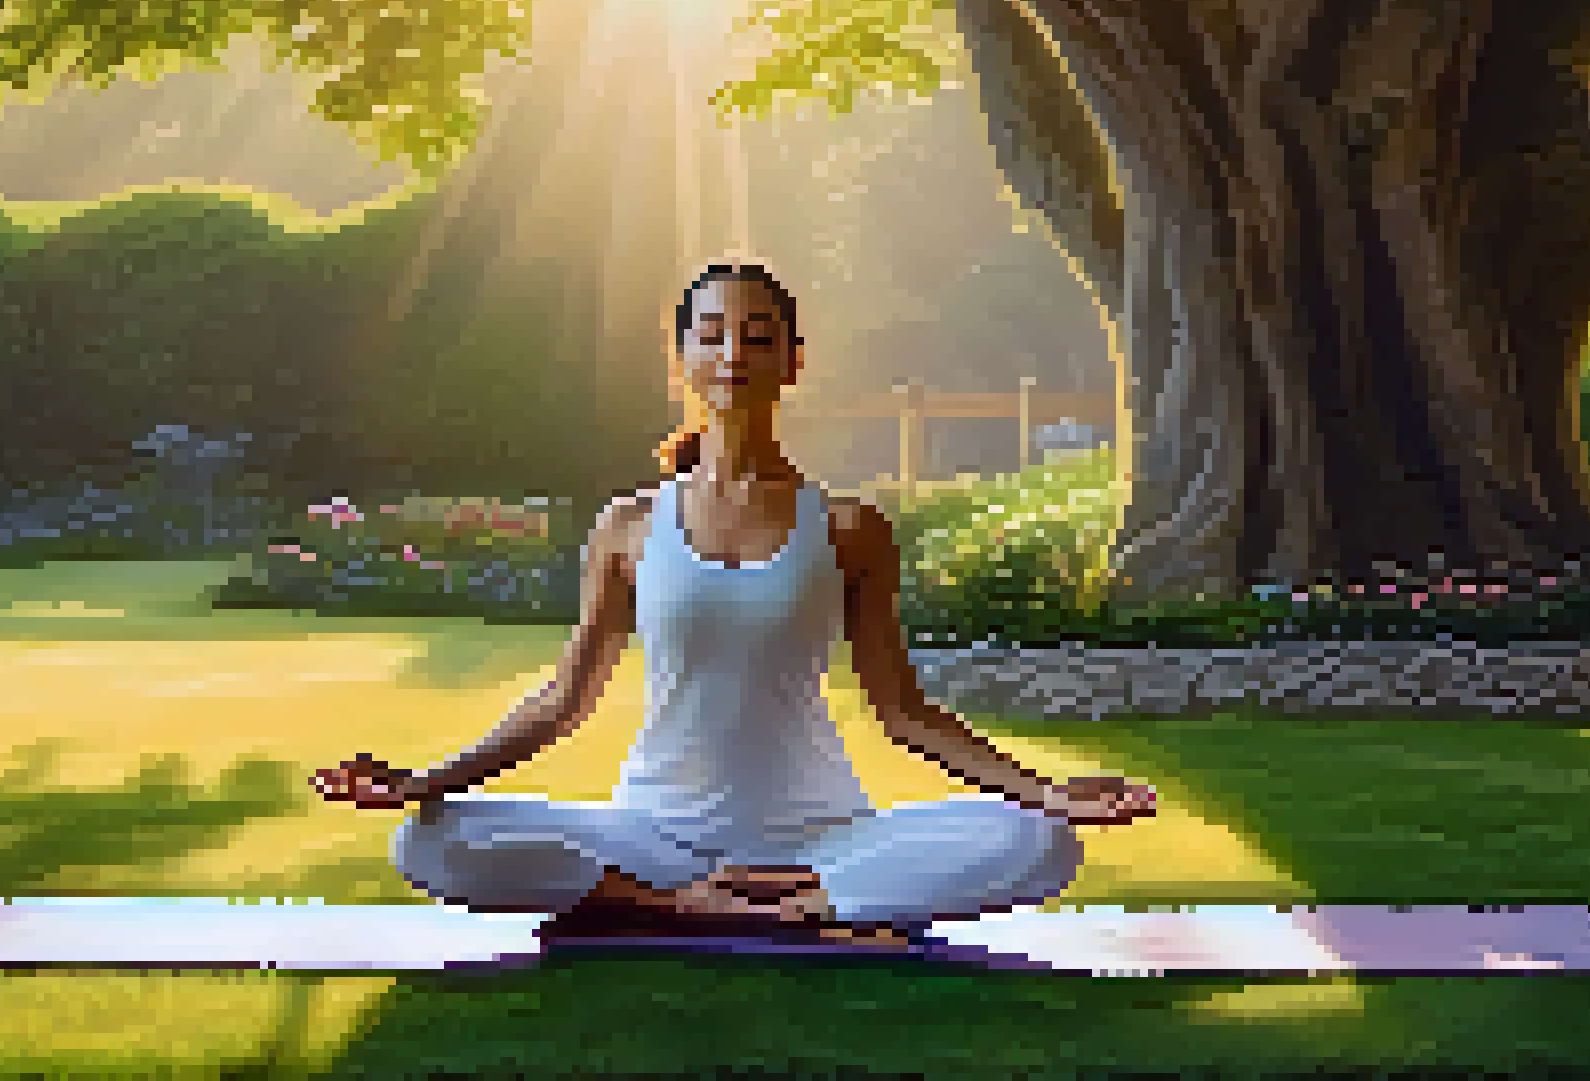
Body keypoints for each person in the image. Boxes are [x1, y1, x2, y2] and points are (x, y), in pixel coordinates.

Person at [315, 257, 1158, 948]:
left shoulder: (850, 529)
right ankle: (687, 906)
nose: (733, 353)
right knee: (432, 839)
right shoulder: (628, 527)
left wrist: (1046, 792)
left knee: (1037, 842)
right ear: (683, 357)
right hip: (653, 836)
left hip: (819, 837)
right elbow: (566, 700)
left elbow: (905, 714)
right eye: (712, 333)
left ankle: (805, 897)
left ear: (792, 361)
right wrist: (425, 782)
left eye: (759, 336)